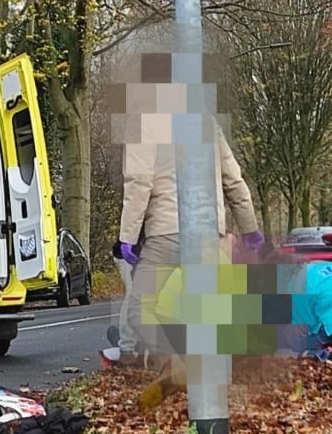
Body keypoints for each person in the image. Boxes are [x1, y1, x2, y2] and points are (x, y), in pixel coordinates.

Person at [105, 128, 263, 372]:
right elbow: (233, 180)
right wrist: (249, 228)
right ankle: (218, 375)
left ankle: (173, 365)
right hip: (207, 232)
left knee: (140, 308)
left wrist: (127, 236)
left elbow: (139, 184)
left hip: (167, 232)